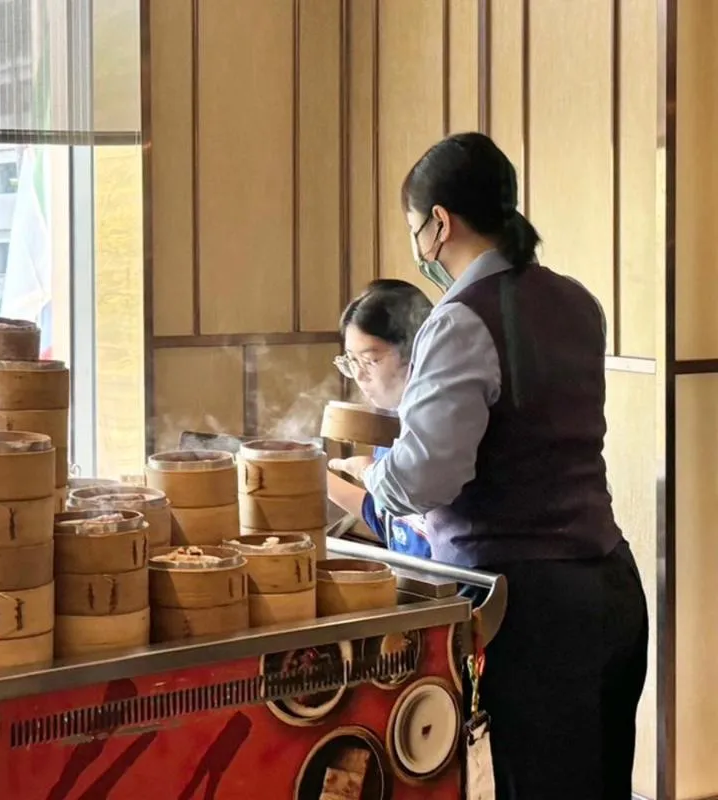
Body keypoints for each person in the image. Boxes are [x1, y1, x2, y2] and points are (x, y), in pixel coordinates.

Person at [328, 132, 648, 799]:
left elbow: (424, 478)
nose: (421, 248)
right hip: (612, 586)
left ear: (438, 223)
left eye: (418, 230)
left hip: (532, 607)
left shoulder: (458, 321)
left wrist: (371, 480)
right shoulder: (577, 301)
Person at [327, 279, 433, 558]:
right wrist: (311, 477)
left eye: (371, 360)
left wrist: (369, 473)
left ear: (414, 352)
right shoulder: (391, 421)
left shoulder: (441, 427)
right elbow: (391, 525)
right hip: (414, 579)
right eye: (351, 361)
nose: (360, 376)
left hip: (454, 587)